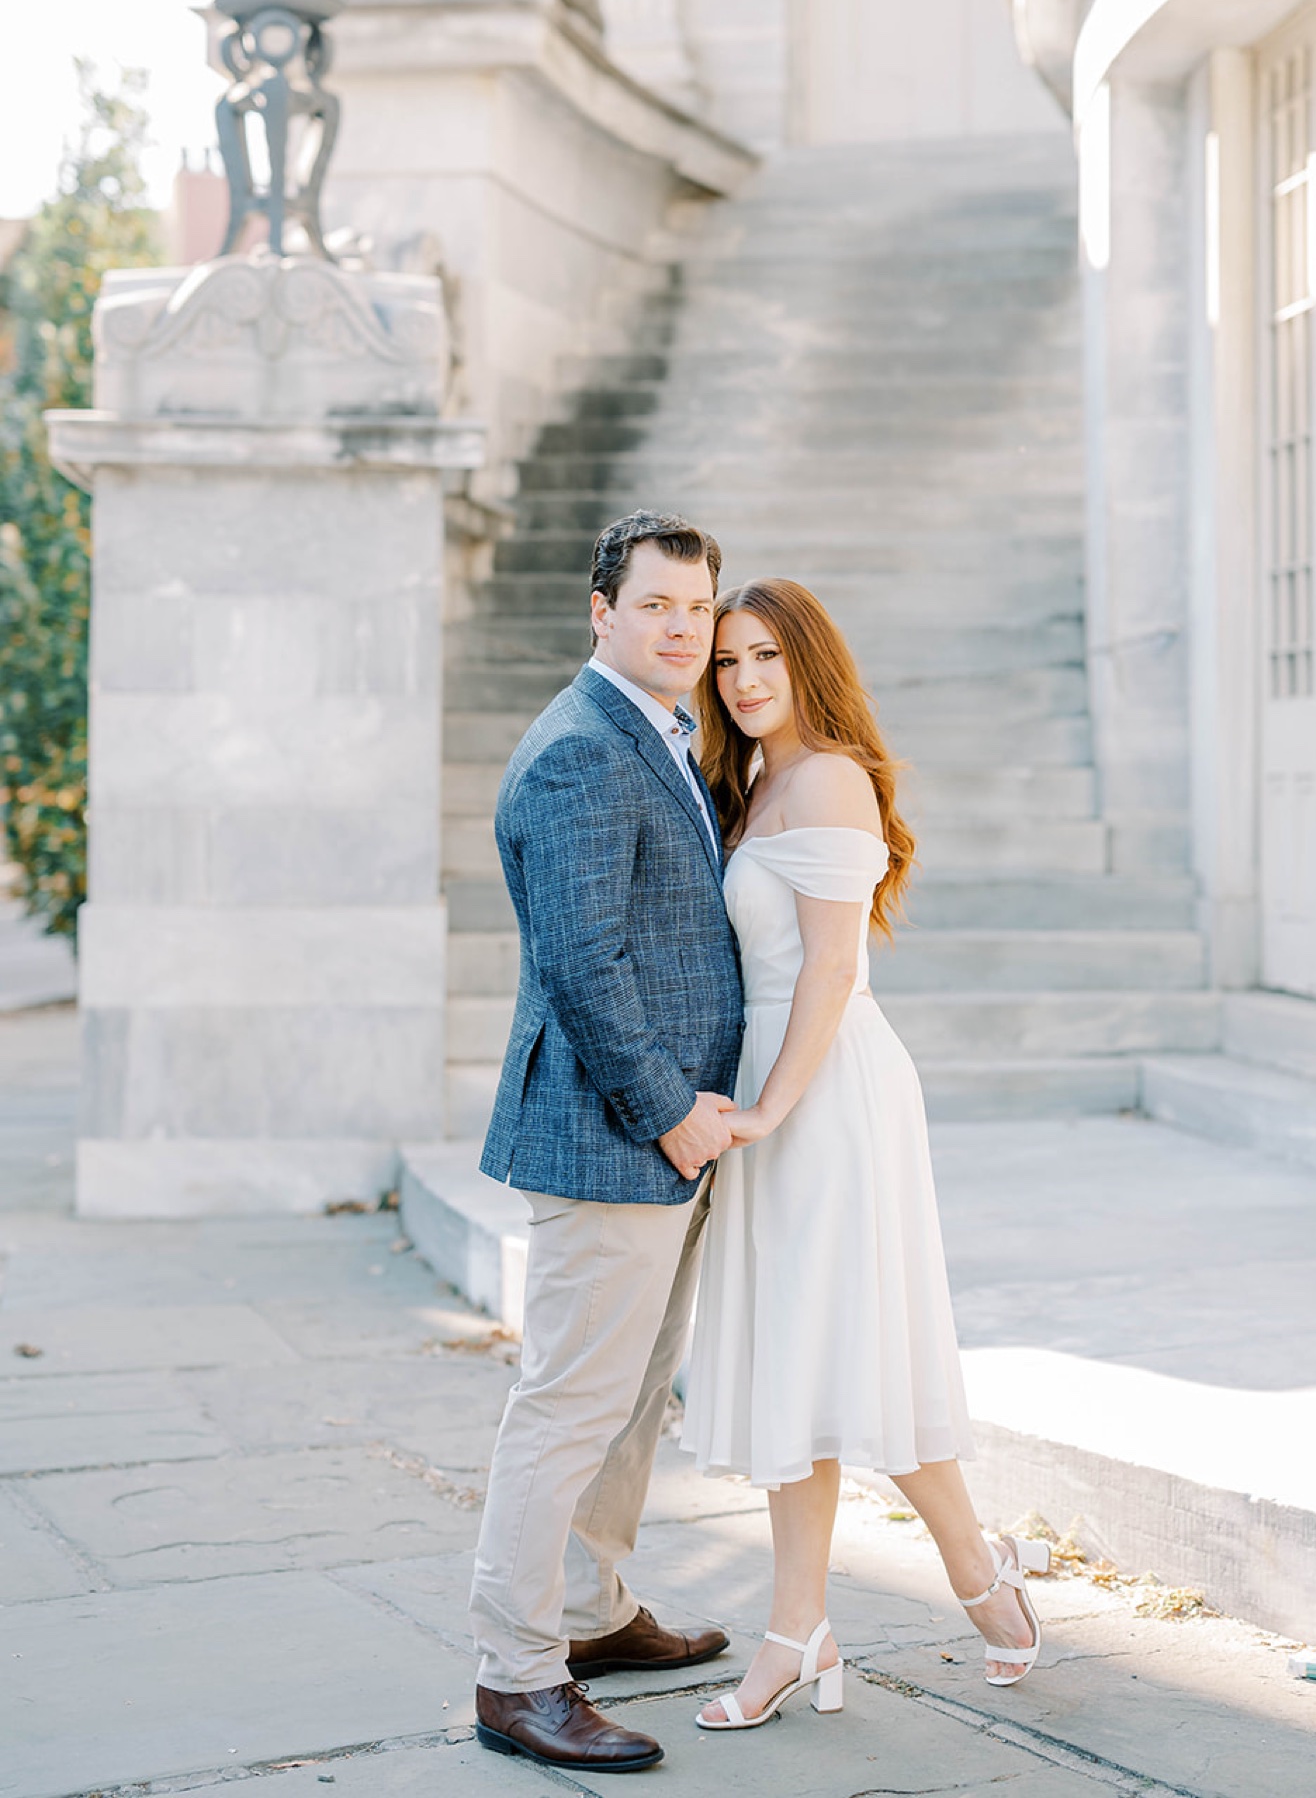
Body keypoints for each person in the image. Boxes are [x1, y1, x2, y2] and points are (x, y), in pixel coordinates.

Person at [681, 577, 1048, 1731]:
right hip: (777, 1091)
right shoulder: (752, 787)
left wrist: (768, 1110)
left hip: (828, 1092)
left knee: (858, 1353)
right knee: (801, 1360)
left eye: (764, 659)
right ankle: (799, 1630)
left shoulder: (828, 777)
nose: (743, 680)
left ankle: (977, 1570)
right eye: (728, 661)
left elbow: (834, 973)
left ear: (808, 665)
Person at [468, 510, 745, 1774]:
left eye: (697, 607)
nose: (682, 629)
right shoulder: (584, 748)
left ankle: (592, 1612)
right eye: (655, 606)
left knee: (630, 1400)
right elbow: (584, 963)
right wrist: (673, 1107)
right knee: (567, 1407)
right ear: (601, 610)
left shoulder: (663, 733)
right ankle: (516, 1676)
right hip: (611, 1127)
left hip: (657, 1135)